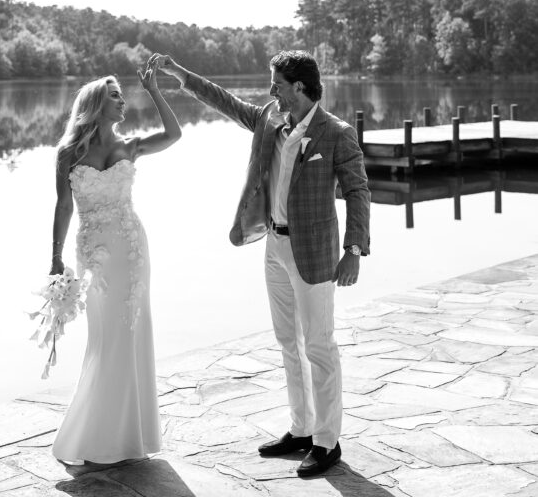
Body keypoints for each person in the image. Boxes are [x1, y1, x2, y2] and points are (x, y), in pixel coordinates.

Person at [155, 49, 370, 479]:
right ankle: (301, 429)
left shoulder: (336, 134)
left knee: (320, 346)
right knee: (288, 341)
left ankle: (327, 442)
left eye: (277, 83)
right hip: (274, 245)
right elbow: (224, 100)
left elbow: (359, 191)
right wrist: (180, 73)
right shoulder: (271, 120)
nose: (271, 90)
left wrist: (353, 251)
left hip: (315, 253)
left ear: (300, 87)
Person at [49, 54, 181, 467]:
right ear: (95, 104)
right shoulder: (69, 151)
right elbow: (63, 206)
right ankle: (97, 432)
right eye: (115, 96)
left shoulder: (130, 146)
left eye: (123, 96)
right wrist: (55, 257)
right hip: (94, 250)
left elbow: (174, 135)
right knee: (105, 337)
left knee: (132, 328)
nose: (123, 102)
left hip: (130, 245)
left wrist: (156, 91)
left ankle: (129, 437)